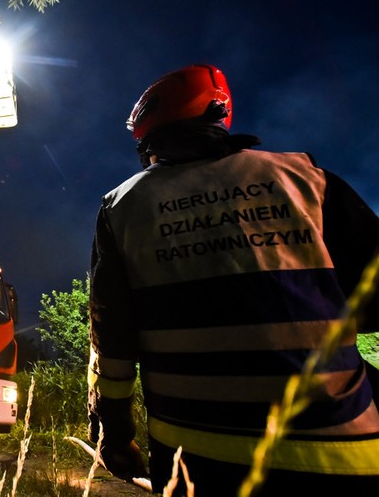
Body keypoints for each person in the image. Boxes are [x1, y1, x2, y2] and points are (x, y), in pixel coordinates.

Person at [87, 64, 379, 495]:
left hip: (192, 462)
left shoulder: (123, 206)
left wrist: (114, 435)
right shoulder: (304, 179)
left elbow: (112, 342)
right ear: (219, 117)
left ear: (148, 141)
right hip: (341, 452)